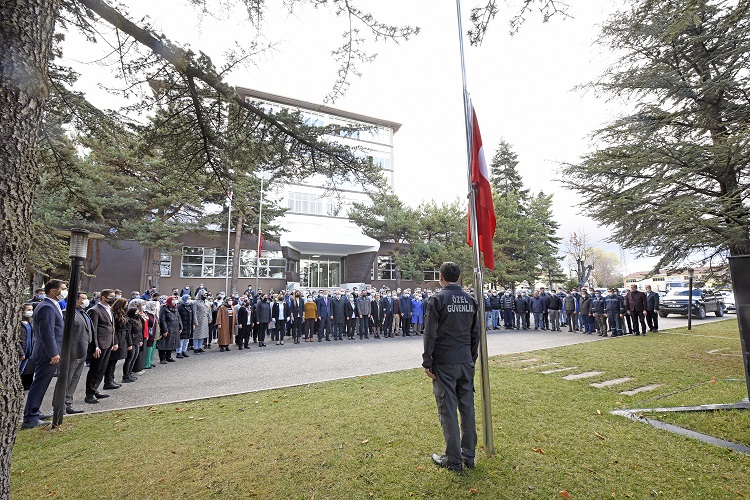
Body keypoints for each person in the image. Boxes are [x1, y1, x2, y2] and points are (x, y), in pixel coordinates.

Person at [422, 262, 479, 472]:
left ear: (440, 277)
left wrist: (427, 361)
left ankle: (454, 459)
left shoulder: (437, 299)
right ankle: (469, 455)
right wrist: (470, 358)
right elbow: (476, 334)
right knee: (467, 408)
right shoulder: (471, 300)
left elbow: (430, 333)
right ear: (458, 277)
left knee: (448, 411)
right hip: (465, 360)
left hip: (445, 362)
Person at [22, 280, 67, 428]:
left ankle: (35, 410)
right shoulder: (46, 307)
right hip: (46, 353)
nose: (65, 291)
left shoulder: (52, 305)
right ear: (53, 291)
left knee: (42, 383)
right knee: (40, 383)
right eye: (63, 289)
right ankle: (30, 417)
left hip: (49, 351)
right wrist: (53, 352)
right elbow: (47, 333)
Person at [85, 289, 116, 404]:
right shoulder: (95, 310)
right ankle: (89, 394)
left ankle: (95, 389)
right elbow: (93, 330)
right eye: (111, 296)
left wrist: (114, 342)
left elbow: (111, 327)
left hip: (108, 343)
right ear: (103, 297)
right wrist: (95, 346)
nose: (113, 298)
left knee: (102, 369)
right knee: (95, 369)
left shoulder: (109, 309)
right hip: (100, 345)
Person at [65, 292, 93, 414]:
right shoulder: (68, 313)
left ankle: (68, 403)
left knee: (75, 379)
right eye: (83, 299)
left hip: (83, 350)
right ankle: (60, 405)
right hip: (72, 352)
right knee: (67, 379)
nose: (86, 301)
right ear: (75, 300)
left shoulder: (83, 312)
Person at [158, 295, 182, 361]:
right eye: (173, 299)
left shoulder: (175, 308)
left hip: (175, 328)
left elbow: (179, 317)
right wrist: (164, 330)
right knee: (164, 344)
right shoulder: (164, 308)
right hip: (168, 328)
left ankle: (169, 357)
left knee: (172, 343)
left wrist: (180, 327)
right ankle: (162, 358)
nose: (175, 301)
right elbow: (162, 319)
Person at [19, 303, 34, 390]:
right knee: (18, 371)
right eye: (28, 310)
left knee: (22, 371)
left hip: (28, 352)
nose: (30, 312)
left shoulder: (30, 322)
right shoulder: (19, 323)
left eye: (31, 310)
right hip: (22, 353)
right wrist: (21, 353)